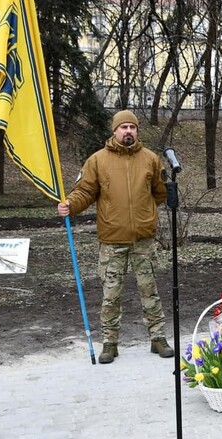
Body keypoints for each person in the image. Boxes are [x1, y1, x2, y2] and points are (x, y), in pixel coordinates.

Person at [57, 110, 174, 364]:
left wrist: (144, 215)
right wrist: (70, 205)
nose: (128, 131)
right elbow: (85, 192)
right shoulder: (98, 161)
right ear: (115, 131)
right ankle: (110, 343)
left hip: (143, 240)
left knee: (150, 291)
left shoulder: (151, 160)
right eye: (124, 127)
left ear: (137, 131)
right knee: (111, 294)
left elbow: (160, 193)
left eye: (132, 127)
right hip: (112, 241)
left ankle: (158, 338)